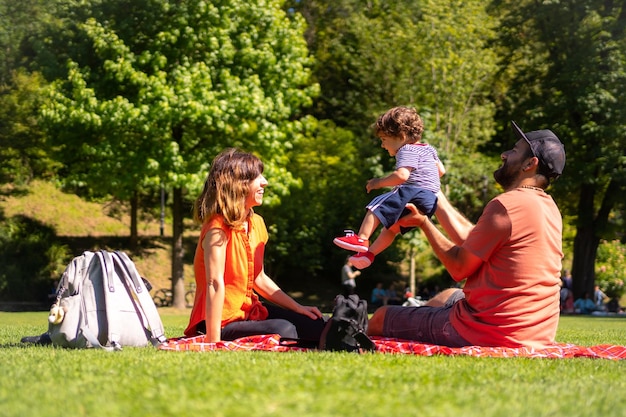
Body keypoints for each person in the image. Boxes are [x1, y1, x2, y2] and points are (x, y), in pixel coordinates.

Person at [367, 120, 566, 348]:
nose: (504, 154)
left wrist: (424, 223)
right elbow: (472, 240)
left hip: (487, 331)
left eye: (513, 151)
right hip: (535, 332)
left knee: (381, 317)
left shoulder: (506, 205)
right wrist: (432, 190)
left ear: (530, 163)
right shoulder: (547, 208)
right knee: (448, 296)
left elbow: (459, 268)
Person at [184, 148, 326, 343]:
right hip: (220, 322)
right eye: (256, 177)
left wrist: (298, 308)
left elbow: (259, 278)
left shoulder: (257, 222)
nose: (264, 182)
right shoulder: (217, 227)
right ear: (237, 185)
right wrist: (213, 341)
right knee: (283, 329)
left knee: (316, 324)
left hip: (249, 313)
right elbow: (214, 283)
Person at [333, 106, 445, 269]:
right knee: (392, 228)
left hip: (415, 191)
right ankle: (369, 254)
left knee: (376, 205)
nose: (382, 146)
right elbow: (441, 171)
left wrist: (377, 182)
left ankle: (361, 239)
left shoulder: (407, 149)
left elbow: (401, 176)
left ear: (401, 136)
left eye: (384, 139)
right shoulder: (429, 149)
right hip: (431, 200)